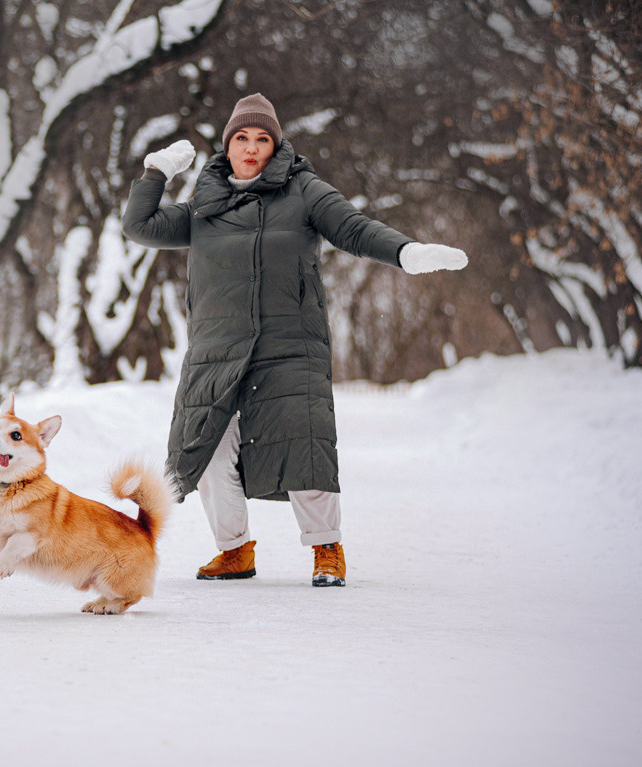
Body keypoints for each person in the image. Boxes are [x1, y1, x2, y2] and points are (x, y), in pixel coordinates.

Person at [121, 93, 467, 587]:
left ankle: (327, 549)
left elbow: (353, 228)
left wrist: (406, 252)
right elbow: (140, 226)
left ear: (275, 145)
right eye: (242, 138)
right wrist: (156, 172)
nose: (251, 148)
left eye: (262, 139)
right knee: (208, 449)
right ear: (227, 145)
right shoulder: (205, 204)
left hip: (289, 344)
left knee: (303, 443)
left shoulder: (302, 190)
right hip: (217, 350)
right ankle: (234, 550)